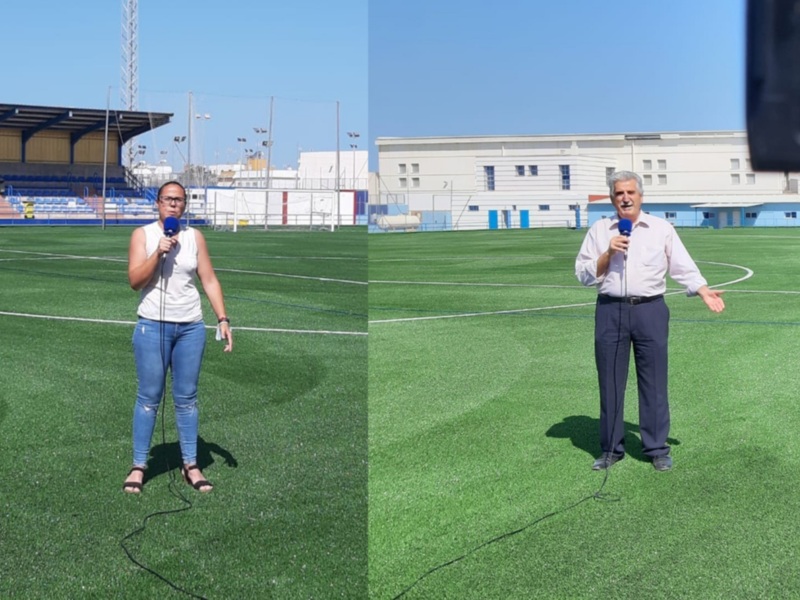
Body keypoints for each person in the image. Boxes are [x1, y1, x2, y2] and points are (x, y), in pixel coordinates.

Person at [575, 170, 725, 472]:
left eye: (630, 192)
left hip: (650, 311)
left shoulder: (661, 228)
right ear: (612, 198)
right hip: (610, 310)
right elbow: (583, 274)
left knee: (654, 381)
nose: (625, 198)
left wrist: (703, 290)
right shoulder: (600, 230)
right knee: (610, 383)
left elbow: (682, 266)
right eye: (619, 193)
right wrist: (608, 252)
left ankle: (656, 448)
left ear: (641, 196)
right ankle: (611, 449)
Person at [122, 181, 233, 493]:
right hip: (152, 327)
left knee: (187, 399)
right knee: (148, 398)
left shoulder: (194, 237)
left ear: (184, 205)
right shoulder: (142, 236)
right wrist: (157, 253)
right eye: (168, 199)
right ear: (158, 203)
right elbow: (134, 280)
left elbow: (209, 279)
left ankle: (191, 465)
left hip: (190, 328)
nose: (174, 205)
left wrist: (222, 318)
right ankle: (139, 465)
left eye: (179, 200)